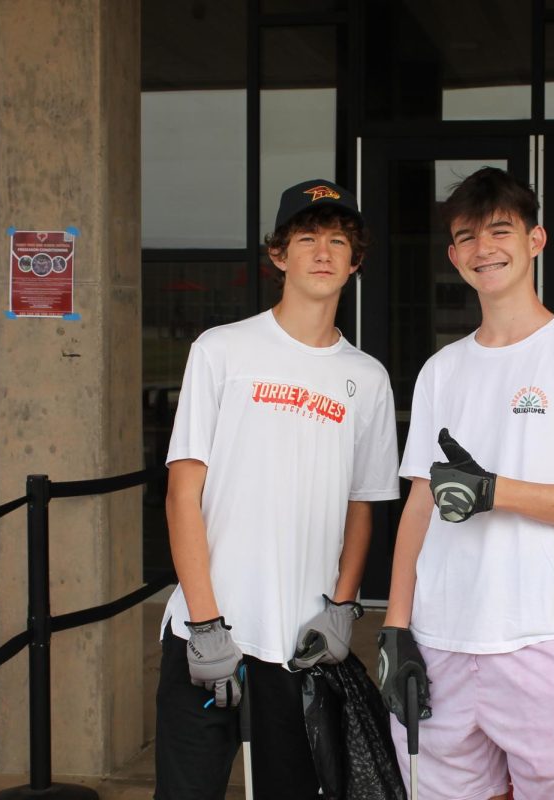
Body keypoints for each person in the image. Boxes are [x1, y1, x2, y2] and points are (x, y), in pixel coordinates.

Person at [377, 167, 554, 800]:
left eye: (500, 230)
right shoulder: (442, 370)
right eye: (466, 237)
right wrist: (394, 627)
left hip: (538, 638)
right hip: (439, 640)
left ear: (535, 240)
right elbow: (419, 504)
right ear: (453, 255)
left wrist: (497, 490)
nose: (483, 249)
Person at [157, 179, 400, 800]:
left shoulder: (366, 379)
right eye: (308, 238)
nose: (323, 252)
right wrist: (206, 623)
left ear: (356, 261)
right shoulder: (222, 350)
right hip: (207, 635)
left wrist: (341, 609)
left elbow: (361, 509)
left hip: (302, 645)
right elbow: (183, 493)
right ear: (279, 255)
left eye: (338, 241)